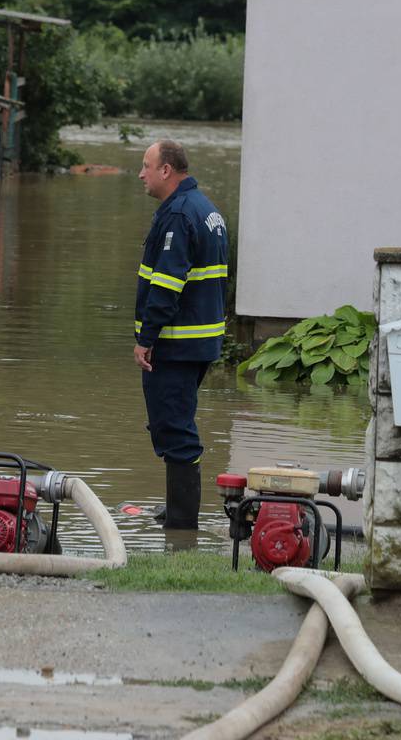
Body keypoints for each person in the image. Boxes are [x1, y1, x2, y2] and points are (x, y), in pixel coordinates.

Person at [133, 138, 229, 530]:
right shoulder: (204, 209)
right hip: (198, 342)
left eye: (146, 165)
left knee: (175, 427)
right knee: (177, 421)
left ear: (166, 170)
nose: (141, 174)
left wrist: (147, 338)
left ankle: (182, 524)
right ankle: (176, 510)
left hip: (175, 343)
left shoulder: (179, 215)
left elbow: (167, 285)